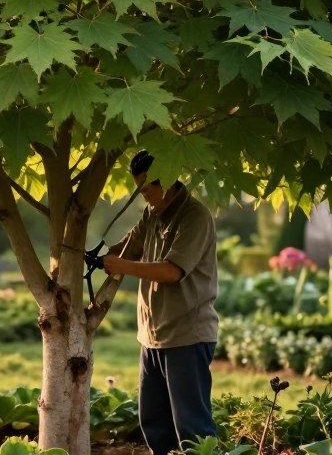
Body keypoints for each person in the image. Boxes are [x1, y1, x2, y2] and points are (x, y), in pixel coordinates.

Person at [102, 151, 219, 455]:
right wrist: (95, 255)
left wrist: (120, 265)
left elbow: (172, 270)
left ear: (167, 178)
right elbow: (127, 248)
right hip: (152, 337)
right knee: (154, 423)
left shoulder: (195, 216)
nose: (143, 195)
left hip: (186, 336)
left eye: (146, 187)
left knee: (193, 428)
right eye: (139, 189)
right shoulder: (152, 215)